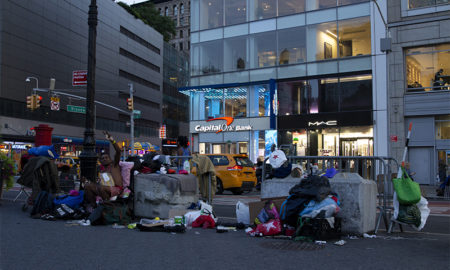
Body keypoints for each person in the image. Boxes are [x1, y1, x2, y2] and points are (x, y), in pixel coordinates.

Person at [83, 131, 123, 210]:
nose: (104, 159)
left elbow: (118, 151)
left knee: (102, 188)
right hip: (104, 189)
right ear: (100, 161)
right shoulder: (101, 170)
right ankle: (94, 207)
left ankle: (107, 207)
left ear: (110, 159)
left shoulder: (114, 165)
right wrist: (87, 182)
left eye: (106, 157)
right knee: (87, 186)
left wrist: (112, 140)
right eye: (102, 158)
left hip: (116, 189)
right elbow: (99, 184)